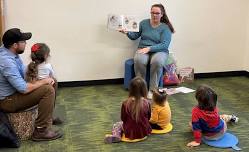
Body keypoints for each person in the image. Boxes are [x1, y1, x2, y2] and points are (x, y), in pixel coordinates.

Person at [0, 28, 62, 141]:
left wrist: (36, 68)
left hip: (15, 92)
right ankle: (41, 131)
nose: (26, 43)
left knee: (53, 81)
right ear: (15, 45)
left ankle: (47, 118)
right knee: (48, 89)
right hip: (7, 101)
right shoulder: (6, 61)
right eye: (23, 41)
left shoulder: (9, 52)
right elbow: (23, 88)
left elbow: (22, 71)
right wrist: (42, 81)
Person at [120, 4, 175, 98]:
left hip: (160, 51)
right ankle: (141, 89)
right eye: (152, 13)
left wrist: (149, 48)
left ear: (162, 14)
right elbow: (134, 36)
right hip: (143, 49)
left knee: (157, 61)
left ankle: (153, 90)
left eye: (157, 13)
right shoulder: (144, 23)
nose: (154, 15)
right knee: (139, 60)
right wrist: (127, 33)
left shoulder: (166, 28)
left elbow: (164, 45)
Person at [104, 76, 152, 143]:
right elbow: (149, 117)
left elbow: (123, 118)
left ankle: (116, 135)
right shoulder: (147, 103)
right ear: (144, 90)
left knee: (117, 125)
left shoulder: (125, 103)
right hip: (144, 131)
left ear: (131, 89)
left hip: (130, 131)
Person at [26, 43, 63, 125]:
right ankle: (44, 123)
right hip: (43, 89)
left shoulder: (29, 66)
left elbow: (27, 79)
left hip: (32, 89)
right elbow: (53, 76)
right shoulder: (48, 66)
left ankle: (48, 117)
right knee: (53, 83)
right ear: (46, 56)